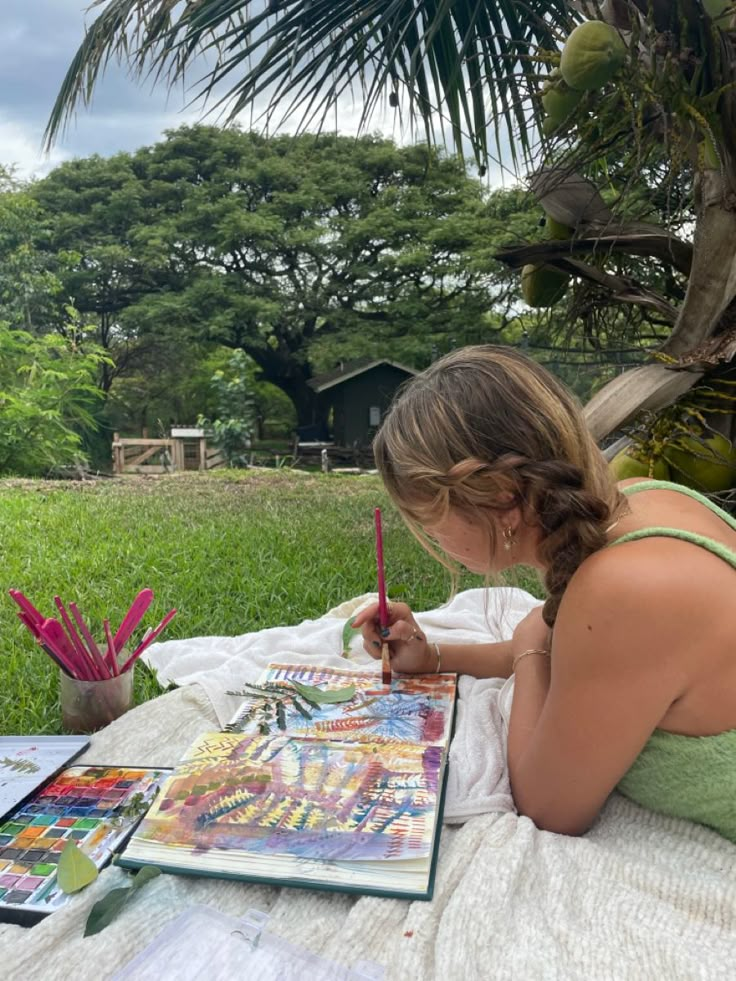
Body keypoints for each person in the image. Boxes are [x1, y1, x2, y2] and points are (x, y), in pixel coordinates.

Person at [353, 345, 736, 843]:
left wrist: (532, 633)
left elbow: (551, 807)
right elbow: (586, 662)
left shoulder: (623, 589)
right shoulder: (646, 497)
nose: (431, 539)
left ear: (499, 496)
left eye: (427, 518)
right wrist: (434, 659)